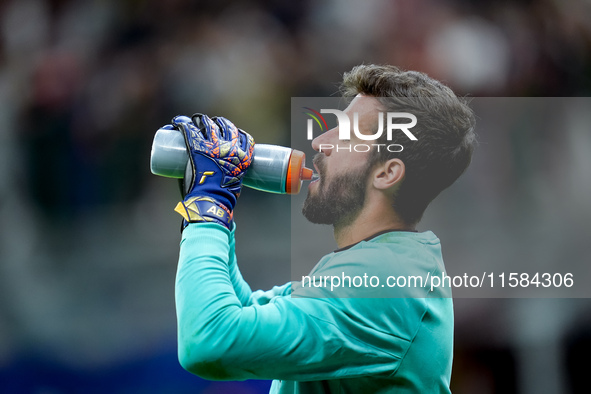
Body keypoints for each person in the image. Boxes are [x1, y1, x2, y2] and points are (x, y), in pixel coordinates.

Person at [167, 64, 476, 393]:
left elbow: (208, 340)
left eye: (344, 134)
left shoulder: (381, 280)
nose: (320, 142)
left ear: (387, 173)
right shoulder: (389, 266)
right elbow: (245, 310)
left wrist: (208, 206)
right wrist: (212, 206)